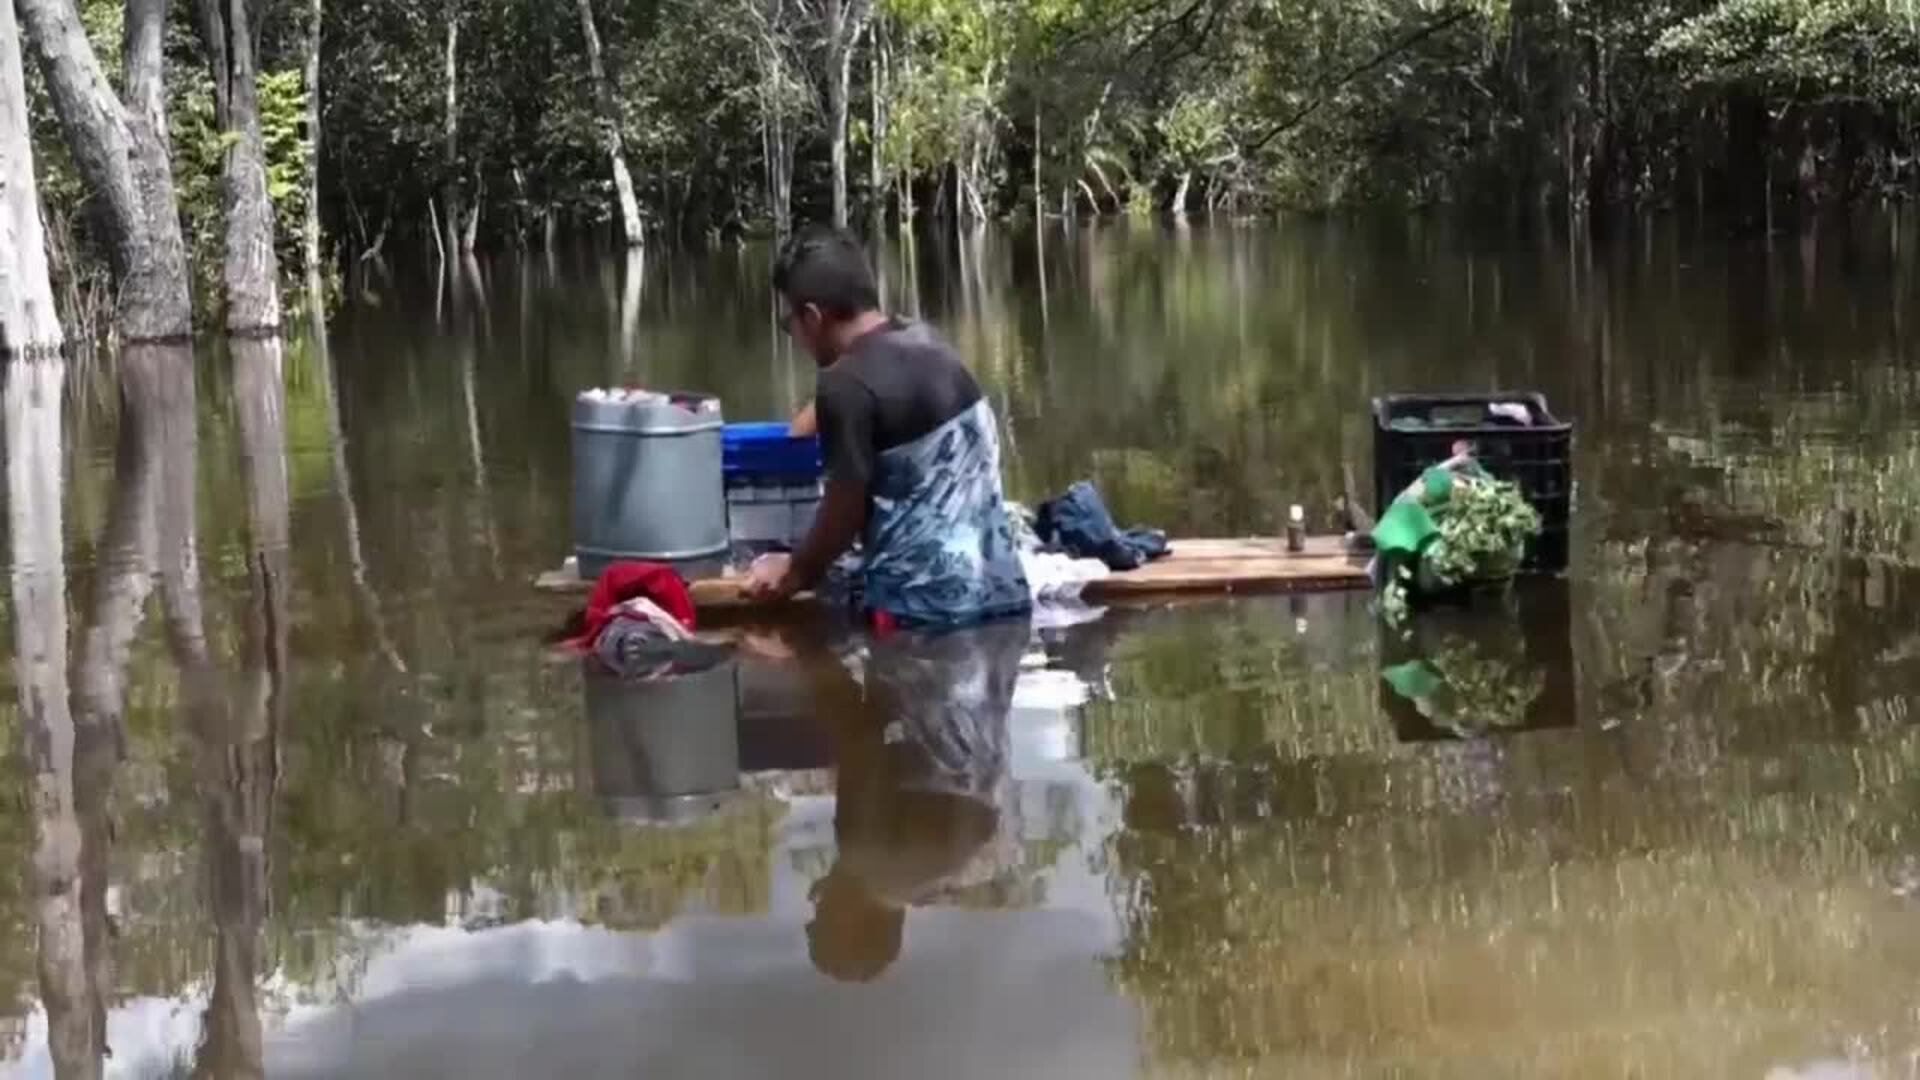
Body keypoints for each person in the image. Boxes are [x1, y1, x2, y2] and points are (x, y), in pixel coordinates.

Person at [745, 226, 1029, 629]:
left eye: (789, 323)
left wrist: (793, 571)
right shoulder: (926, 340)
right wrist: (825, 401)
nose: (793, 336)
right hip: (1005, 597)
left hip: (921, 612)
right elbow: (825, 419)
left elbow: (843, 517)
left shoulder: (845, 386)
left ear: (812, 317)